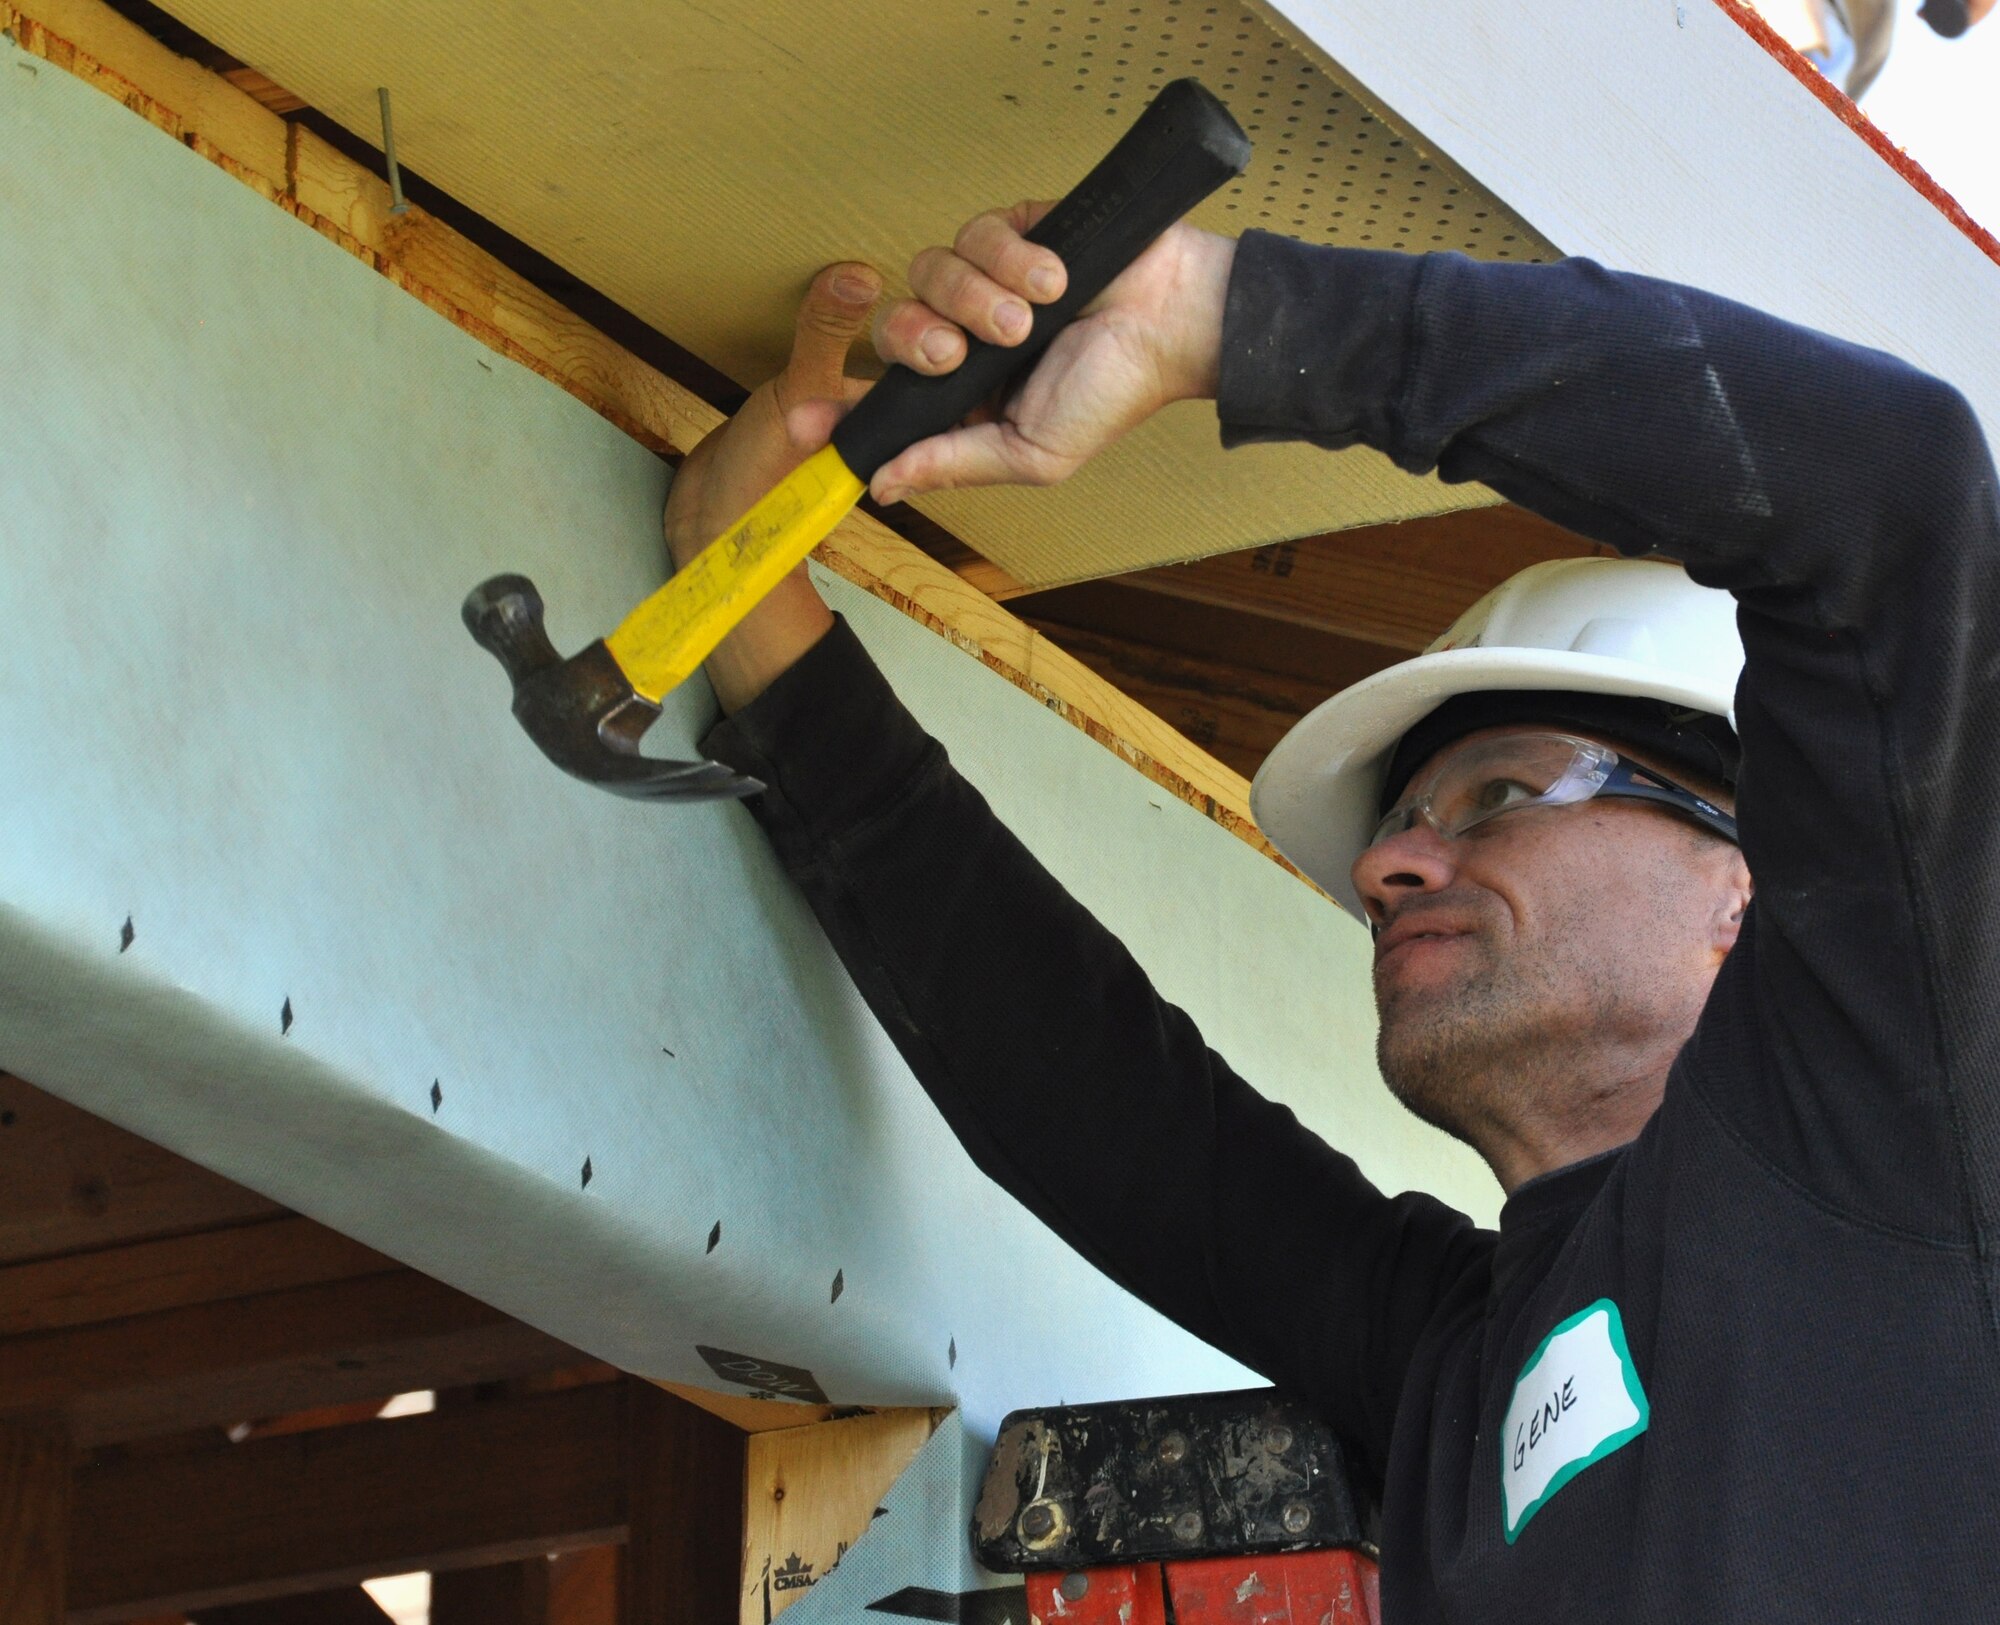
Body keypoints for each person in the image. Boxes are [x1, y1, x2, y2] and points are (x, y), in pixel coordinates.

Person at [663, 213, 2000, 1618]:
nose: (1390, 866)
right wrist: (744, 597)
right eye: (1398, 826)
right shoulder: (1455, 1364)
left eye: (1497, 793)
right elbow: (1111, 1108)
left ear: (1748, 885)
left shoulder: (1900, 1139)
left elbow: (1892, 497)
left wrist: (1221, 316)